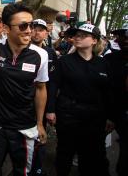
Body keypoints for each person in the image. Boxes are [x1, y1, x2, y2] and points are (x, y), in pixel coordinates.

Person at [0, 3, 48, 176]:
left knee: (22, 172)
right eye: (23, 26)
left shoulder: (40, 55)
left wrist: (40, 123)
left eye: (31, 25)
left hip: (24, 127)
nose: (30, 31)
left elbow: (41, 89)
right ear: (6, 28)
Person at [47, 24, 113, 176]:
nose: (78, 37)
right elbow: (53, 85)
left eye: (83, 35)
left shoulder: (103, 64)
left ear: (94, 41)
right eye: (76, 35)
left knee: (90, 157)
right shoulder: (64, 61)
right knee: (65, 153)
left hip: (95, 119)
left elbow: (108, 92)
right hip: (68, 116)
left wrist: (110, 116)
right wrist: (50, 110)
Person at [30, 19, 58, 176]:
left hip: (42, 104)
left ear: (46, 33)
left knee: (40, 139)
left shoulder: (50, 53)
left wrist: (51, 109)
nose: (36, 32)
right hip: (23, 105)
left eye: (41, 29)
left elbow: (52, 84)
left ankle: (38, 169)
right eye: (34, 28)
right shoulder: (22, 49)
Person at [104, 23, 128, 176]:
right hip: (114, 113)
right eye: (122, 36)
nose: (125, 39)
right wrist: (109, 116)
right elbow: (106, 89)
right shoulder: (111, 59)